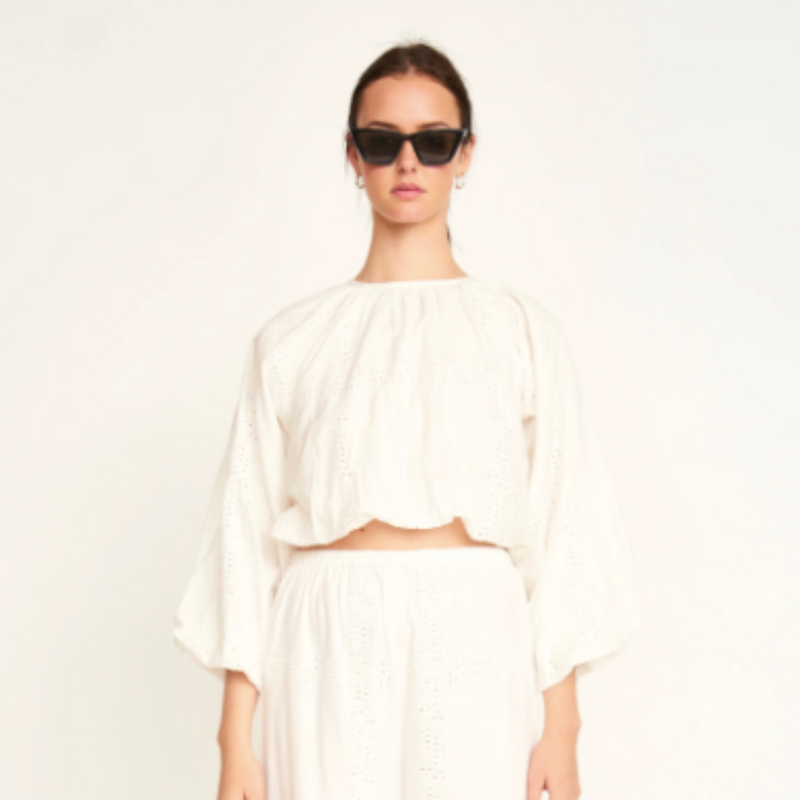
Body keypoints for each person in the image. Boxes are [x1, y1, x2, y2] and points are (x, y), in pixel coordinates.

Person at [173, 39, 642, 800]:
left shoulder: (520, 330)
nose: (408, 163)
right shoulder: (292, 340)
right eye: (381, 141)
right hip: (322, 637)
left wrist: (562, 730)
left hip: (475, 631)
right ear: (352, 156)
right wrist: (234, 744)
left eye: (434, 141)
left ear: (465, 155)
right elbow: (243, 539)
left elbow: (565, 527)